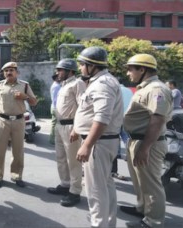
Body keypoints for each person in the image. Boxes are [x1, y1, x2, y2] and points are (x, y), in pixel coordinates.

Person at [121, 54, 173, 228]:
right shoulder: (146, 87)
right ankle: (143, 208)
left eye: (130, 69)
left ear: (142, 69)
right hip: (138, 140)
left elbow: (157, 120)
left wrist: (145, 148)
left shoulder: (156, 89)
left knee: (151, 184)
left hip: (149, 142)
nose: (128, 73)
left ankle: (154, 221)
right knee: (139, 181)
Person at [73, 46, 123, 227]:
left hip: (98, 143)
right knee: (106, 185)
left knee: (95, 190)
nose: (80, 68)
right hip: (103, 142)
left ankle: (99, 224)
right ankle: (107, 223)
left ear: (92, 66)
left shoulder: (102, 84)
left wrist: (87, 145)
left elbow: (102, 117)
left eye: (82, 65)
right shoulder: (101, 81)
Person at [0, 62, 37, 188]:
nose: (8, 72)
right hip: (2, 120)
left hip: (19, 121)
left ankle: (16, 175)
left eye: (11, 70)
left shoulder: (24, 85)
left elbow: (34, 102)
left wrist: (24, 96)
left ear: (17, 72)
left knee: (18, 150)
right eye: (6, 71)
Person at [47, 59, 86, 207]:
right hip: (60, 125)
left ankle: (75, 191)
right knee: (61, 157)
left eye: (61, 70)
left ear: (70, 71)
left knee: (73, 161)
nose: (58, 72)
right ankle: (65, 184)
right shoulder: (63, 85)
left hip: (71, 126)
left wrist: (77, 128)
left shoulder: (78, 84)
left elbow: (83, 107)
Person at [111, 80, 134, 181]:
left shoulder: (115, 90)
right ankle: (131, 157)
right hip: (127, 119)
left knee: (115, 142)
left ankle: (113, 170)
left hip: (116, 119)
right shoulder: (129, 91)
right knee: (127, 140)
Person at [49, 73, 61, 145]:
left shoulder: (56, 85)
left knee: (54, 123)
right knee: (54, 124)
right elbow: (55, 99)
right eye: (58, 77)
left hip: (54, 106)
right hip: (55, 107)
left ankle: (52, 139)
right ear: (56, 78)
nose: (60, 78)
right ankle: (52, 139)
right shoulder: (56, 86)